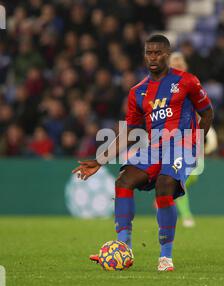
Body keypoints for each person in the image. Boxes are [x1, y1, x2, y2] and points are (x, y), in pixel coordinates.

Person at [72, 35, 214, 271]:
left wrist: (195, 144)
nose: (153, 57)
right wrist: (100, 160)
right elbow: (129, 132)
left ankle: (165, 257)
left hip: (181, 145)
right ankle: (123, 248)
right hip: (154, 147)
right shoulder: (137, 92)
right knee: (123, 180)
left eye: (158, 52)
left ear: (167, 54)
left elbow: (208, 113)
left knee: (164, 184)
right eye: (149, 52)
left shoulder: (187, 81)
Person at [168, 52, 218, 227]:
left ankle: (167, 194)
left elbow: (202, 111)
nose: (178, 65)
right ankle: (187, 216)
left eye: (180, 62)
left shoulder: (192, 84)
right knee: (181, 177)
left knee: (192, 176)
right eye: (174, 63)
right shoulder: (164, 87)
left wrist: (208, 133)